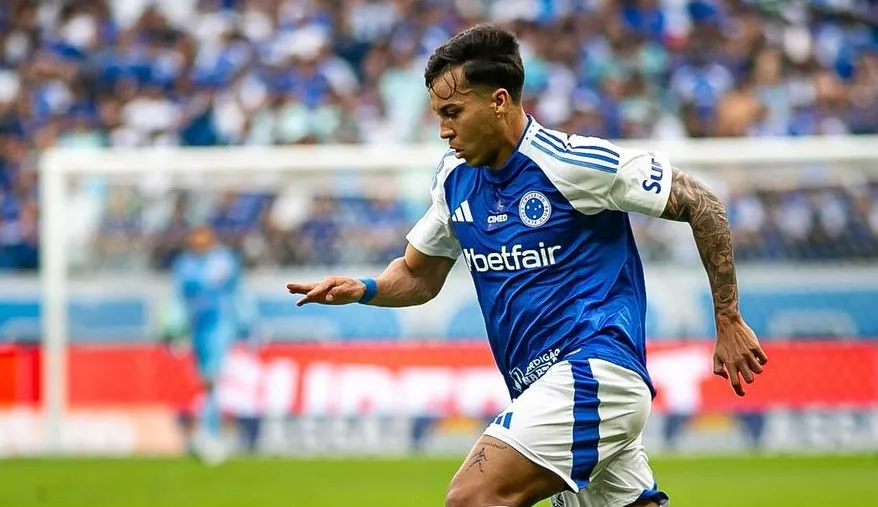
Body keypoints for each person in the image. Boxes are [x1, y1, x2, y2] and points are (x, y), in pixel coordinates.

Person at [287, 23, 768, 507]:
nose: (444, 130)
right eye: (438, 115)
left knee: (472, 498)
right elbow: (417, 274)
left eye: (452, 112)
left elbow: (702, 203)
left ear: (499, 101)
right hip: (541, 388)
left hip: (596, 372)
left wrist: (727, 317)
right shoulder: (456, 180)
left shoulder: (571, 163)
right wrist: (365, 288)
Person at [164, 225, 248, 464]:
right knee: (203, 381)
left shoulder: (224, 261)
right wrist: (175, 328)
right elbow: (179, 297)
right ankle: (209, 431)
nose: (197, 240)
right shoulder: (184, 264)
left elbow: (237, 292)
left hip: (220, 325)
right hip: (195, 328)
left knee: (214, 378)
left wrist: (246, 323)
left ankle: (210, 433)